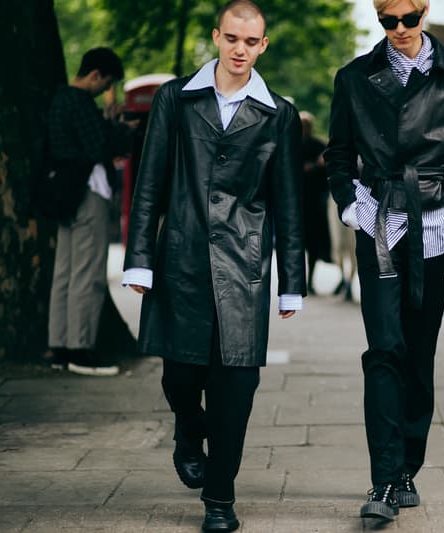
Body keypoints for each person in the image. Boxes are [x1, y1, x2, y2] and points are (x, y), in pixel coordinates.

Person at [122, 1, 305, 531]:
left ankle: (219, 502)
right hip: (180, 261)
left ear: (263, 45)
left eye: (251, 42)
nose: (240, 50)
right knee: (180, 377)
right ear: (216, 37)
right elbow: (149, 183)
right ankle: (187, 428)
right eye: (232, 39)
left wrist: (291, 283)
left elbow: (289, 203)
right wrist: (138, 260)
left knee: (236, 391)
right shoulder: (175, 100)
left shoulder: (279, 115)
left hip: (245, 269)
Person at [325, 0, 444, 520]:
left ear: (425, 12)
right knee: (384, 349)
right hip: (379, 221)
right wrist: (349, 204)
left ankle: (407, 468)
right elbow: (337, 153)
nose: (398, 30)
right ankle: (383, 480)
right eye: (387, 20)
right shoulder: (354, 78)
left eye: (409, 18)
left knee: (419, 353)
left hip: (437, 225)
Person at [46, 47, 134, 376]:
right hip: (88, 192)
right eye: (106, 82)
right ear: (96, 74)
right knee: (88, 275)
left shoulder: (58, 99)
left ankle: (58, 346)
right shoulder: (80, 103)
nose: (105, 90)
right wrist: (118, 126)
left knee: (64, 274)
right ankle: (81, 350)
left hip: (65, 195)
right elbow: (99, 147)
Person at [299, 111, 332, 294]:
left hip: (313, 202)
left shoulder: (319, 146)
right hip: (298, 203)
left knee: (313, 244)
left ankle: (309, 279)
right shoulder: (290, 146)